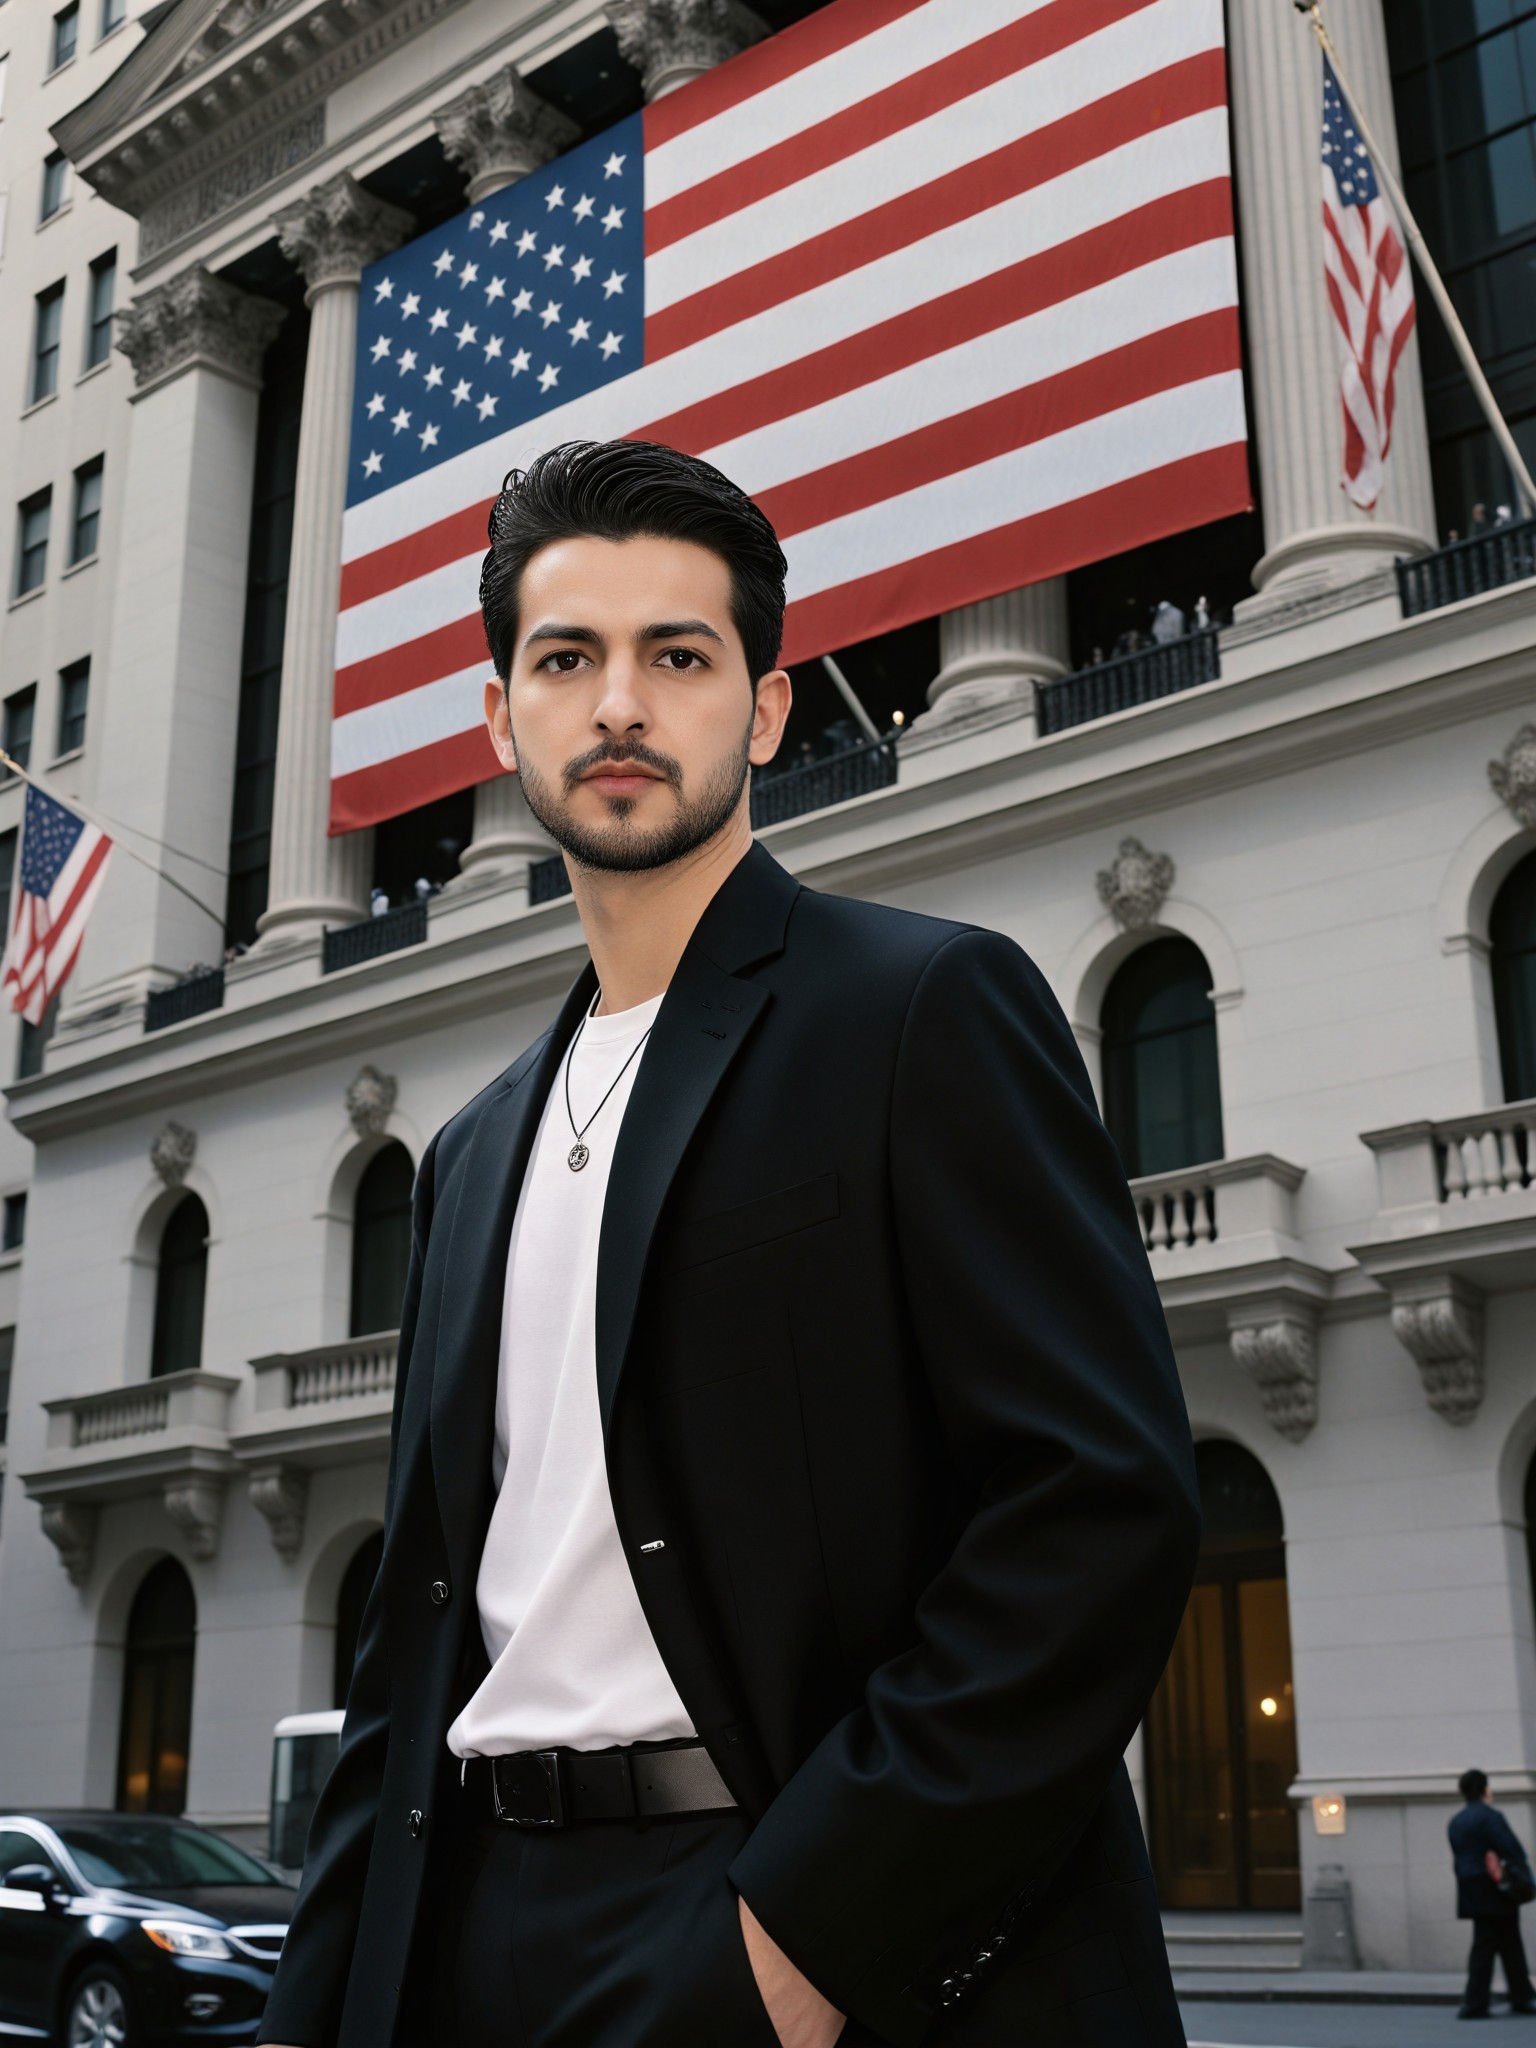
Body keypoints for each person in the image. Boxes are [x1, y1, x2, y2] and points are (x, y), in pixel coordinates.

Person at [256, 438, 1201, 2048]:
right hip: (470, 1929)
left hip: (774, 1924)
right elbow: (406, 1652)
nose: (619, 704)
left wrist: (802, 1944)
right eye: (568, 659)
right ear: (502, 720)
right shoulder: (473, 1150)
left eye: (676, 656)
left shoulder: (920, 1009)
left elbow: (1096, 1513)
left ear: (763, 709)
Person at [1449, 1768, 1536, 2020]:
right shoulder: (1490, 1817)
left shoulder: (1456, 1821)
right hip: (1497, 1891)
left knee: (1499, 1944)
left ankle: (1516, 1996)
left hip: (1472, 1892)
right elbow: (1512, 1850)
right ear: (1485, 1789)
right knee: (1495, 1946)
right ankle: (1479, 2003)